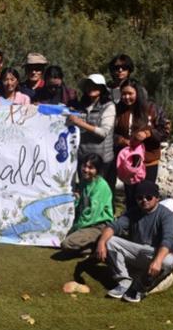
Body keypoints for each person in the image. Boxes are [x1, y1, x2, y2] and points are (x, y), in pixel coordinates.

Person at [96, 180, 173, 303]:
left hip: (156, 254)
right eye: (140, 197)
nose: (144, 200)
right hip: (139, 252)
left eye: (148, 197)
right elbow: (113, 226)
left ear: (157, 198)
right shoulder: (133, 212)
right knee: (110, 240)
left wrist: (157, 261)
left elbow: (168, 240)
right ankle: (124, 281)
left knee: (168, 261)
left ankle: (140, 288)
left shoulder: (166, 215)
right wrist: (101, 243)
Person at [114, 78, 165, 209]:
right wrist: (121, 140)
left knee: (146, 197)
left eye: (130, 93)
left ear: (137, 93)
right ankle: (131, 226)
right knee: (131, 197)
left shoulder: (152, 109)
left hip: (148, 160)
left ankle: (148, 226)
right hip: (129, 162)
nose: (126, 97)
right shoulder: (119, 111)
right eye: (123, 94)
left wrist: (148, 134)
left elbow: (164, 131)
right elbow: (111, 133)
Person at [61, 154, 113, 254]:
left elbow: (92, 214)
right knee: (63, 237)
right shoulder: (84, 181)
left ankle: (97, 246)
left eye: (90, 167)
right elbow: (80, 205)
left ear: (97, 170)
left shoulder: (100, 186)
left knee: (66, 243)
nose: (85, 170)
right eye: (84, 166)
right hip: (85, 223)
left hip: (98, 225)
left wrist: (75, 227)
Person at [68, 74, 116, 178]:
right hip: (83, 157)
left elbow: (103, 133)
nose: (91, 87)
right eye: (88, 85)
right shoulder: (82, 106)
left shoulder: (109, 106)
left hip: (101, 159)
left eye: (95, 85)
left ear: (102, 88)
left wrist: (81, 123)